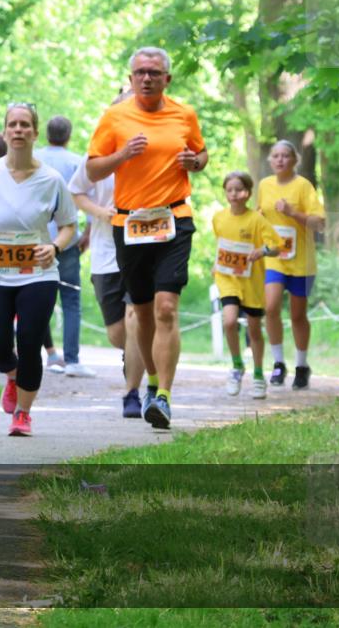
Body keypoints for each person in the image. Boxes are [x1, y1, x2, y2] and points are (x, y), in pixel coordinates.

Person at [86, 47, 208, 430]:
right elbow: (91, 170)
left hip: (174, 218)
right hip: (131, 224)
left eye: (154, 72)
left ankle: (165, 397)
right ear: (131, 77)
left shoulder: (184, 114)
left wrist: (195, 162)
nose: (147, 78)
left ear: (166, 78)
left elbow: (201, 155)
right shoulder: (115, 116)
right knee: (141, 313)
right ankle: (152, 382)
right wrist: (122, 155)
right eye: (140, 72)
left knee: (166, 308)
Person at [0, 103, 77, 436]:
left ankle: (23, 413)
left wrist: (55, 246)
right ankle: (12, 375)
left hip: (38, 274)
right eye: (12, 124)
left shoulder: (51, 179)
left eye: (25, 125)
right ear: (4, 131)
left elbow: (69, 225)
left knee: (30, 340)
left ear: (35, 132)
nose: (18, 130)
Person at [68, 89, 146, 417]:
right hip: (105, 252)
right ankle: (132, 355)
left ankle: (133, 393)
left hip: (143, 248)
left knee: (136, 319)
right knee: (118, 334)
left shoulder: (150, 151)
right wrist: (101, 213)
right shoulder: (100, 155)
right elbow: (76, 191)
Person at [258, 140, 326, 390]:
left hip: (302, 262)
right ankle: (278, 363)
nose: (280, 160)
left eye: (285, 156)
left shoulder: (303, 186)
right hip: (275, 258)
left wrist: (292, 212)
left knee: (298, 315)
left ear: (294, 160)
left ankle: (301, 365)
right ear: (270, 160)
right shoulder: (264, 186)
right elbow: (260, 216)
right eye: (275, 156)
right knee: (271, 306)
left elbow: (319, 224)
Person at [212, 171, 283, 399]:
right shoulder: (219, 218)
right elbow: (221, 245)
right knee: (230, 321)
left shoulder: (256, 220)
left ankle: (259, 374)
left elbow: (278, 246)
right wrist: (217, 263)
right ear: (225, 192)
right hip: (228, 278)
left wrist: (261, 251)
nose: (234, 194)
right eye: (229, 190)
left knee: (254, 329)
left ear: (248, 193)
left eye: (239, 190)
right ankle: (236, 366)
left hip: (251, 281)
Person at [37, 116, 95, 378]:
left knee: (36, 297)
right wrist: (89, 232)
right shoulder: (76, 162)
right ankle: (71, 359)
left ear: (45, 133)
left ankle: (45, 355)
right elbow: (88, 197)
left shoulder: (34, 158)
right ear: (69, 135)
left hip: (37, 236)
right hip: (67, 238)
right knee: (71, 299)